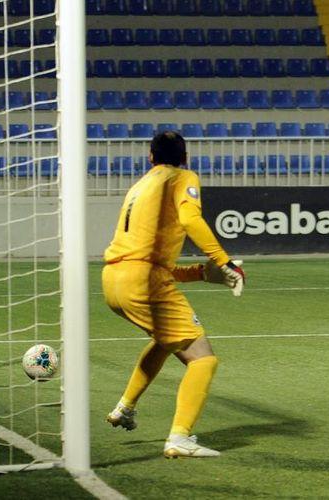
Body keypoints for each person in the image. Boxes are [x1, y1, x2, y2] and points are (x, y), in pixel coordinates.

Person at [102, 131, 245, 458]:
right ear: (185, 158)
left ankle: (125, 407)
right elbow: (190, 219)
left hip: (113, 280)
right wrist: (223, 262)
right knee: (203, 358)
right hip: (143, 282)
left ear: (150, 157)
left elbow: (144, 258)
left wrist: (198, 273)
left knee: (165, 341)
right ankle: (179, 438)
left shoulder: (139, 187)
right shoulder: (182, 177)